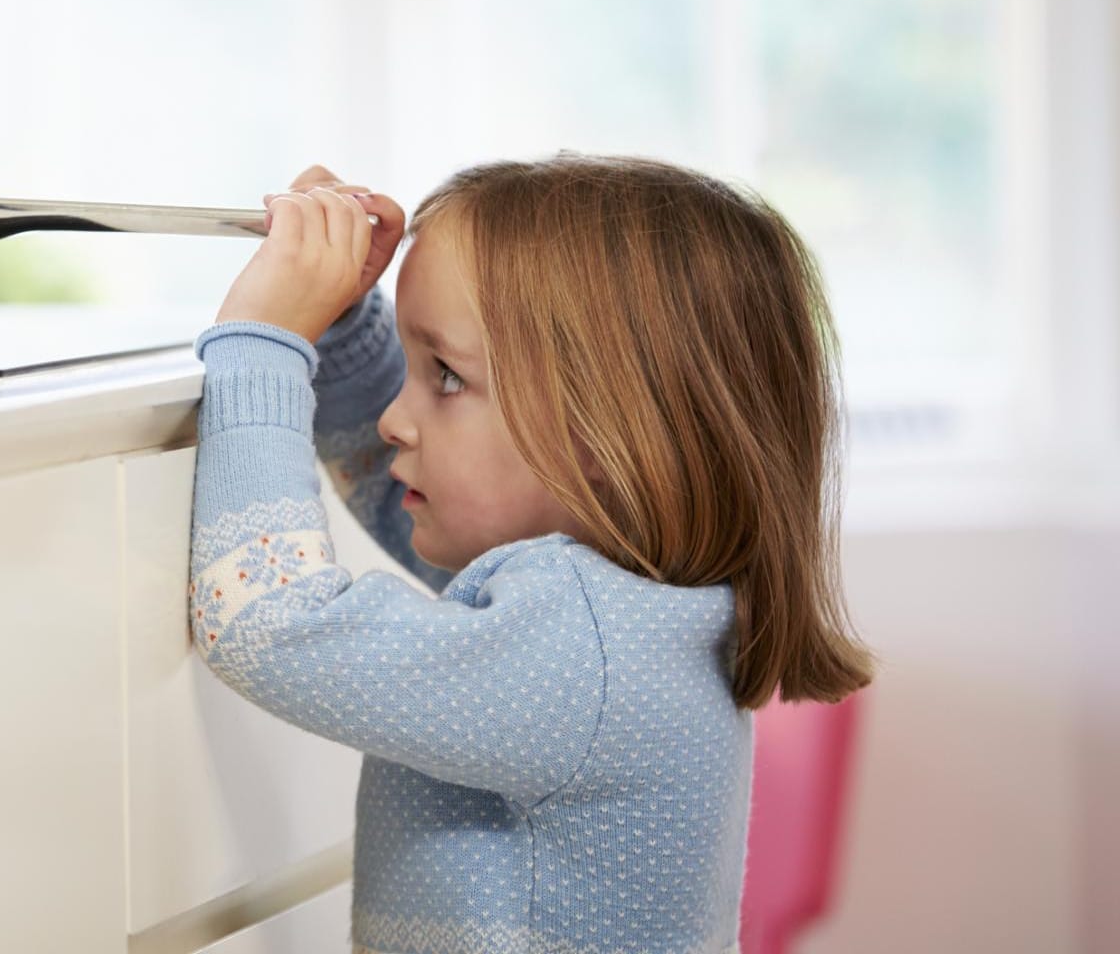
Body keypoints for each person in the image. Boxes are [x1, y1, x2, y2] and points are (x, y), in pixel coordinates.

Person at [187, 156, 876, 954]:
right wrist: (338, 329)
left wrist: (263, 343)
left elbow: (263, 617)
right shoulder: (629, 609)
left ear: (603, 432)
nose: (394, 421)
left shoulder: (581, 654)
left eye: (444, 376)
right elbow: (403, 492)